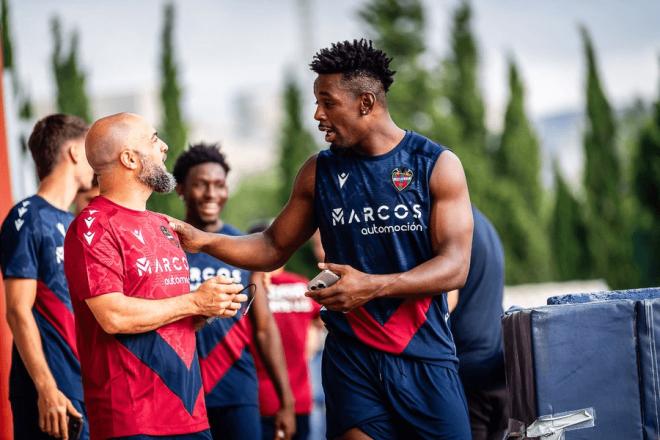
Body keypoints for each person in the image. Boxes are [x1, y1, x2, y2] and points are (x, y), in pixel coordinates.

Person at [169, 39, 474, 439]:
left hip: (423, 355)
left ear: (366, 102)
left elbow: (455, 266)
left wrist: (372, 287)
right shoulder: (318, 172)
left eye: (328, 102)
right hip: (352, 358)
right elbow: (272, 246)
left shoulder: (435, 165)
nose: (318, 115)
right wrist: (203, 241)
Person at [63, 113, 247, 439]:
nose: (164, 147)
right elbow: (114, 316)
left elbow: (171, 313)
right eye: (153, 139)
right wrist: (194, 300)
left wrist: (209, 306)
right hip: (132, 418)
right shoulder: (91, 226)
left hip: (190, 412)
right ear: (129, 158)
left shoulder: (162, 224)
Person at [172, 143, 296, 440]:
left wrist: (286, 401)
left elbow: (264, 329)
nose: (211, 194)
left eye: (219, 185)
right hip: (180, 391)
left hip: (236, 391)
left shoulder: (244, 248)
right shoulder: (166, 247)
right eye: (201, 185)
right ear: (181, 189)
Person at [0, 114, 93, 440]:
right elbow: (17, 310)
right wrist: (47, 388)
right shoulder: (26, 216)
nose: (94, 161)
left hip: (82, 386)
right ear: (73, 153)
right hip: (50, 395)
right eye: (89, 150)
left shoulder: (73, 223)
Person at [247, 223, 323, 440]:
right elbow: (324, 321)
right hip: (295, 397)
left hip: (258, 400)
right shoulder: (303, 286)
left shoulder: (245, 289)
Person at [447, 206, 508, 440]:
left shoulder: (454, 225)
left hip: (469, 369)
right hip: (499, 363)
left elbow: (447, 300)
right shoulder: (484, 223)